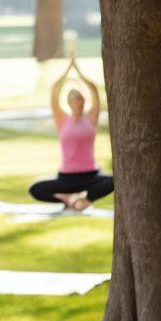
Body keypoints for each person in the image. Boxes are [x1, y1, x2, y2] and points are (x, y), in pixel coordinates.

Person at [29, 54, 114, 210]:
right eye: (75, 100)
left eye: (80, 99)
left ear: (84, 101)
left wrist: (79, 72)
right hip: (66, 178)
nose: (78, 103)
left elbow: (94, 90)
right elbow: (55, 91)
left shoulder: (90, 118)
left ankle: (85, 199)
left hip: (91, 175)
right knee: (35, 189)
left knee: (116, 180)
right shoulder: (62, 119)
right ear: (69, 102)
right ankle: (67, 199)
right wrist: (68, 69)